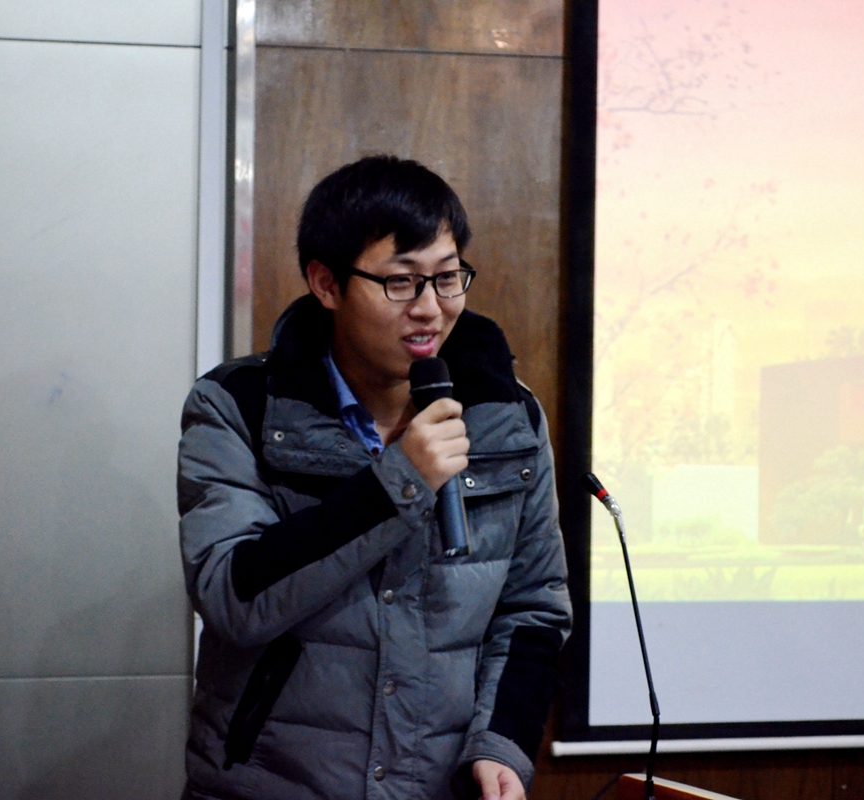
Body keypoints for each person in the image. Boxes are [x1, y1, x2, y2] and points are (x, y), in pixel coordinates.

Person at [178, 155, 571, 800]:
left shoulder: (507, 417)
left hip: (434, 784)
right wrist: (400, 482)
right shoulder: (238, 407)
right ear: (326, 283)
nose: (430, 309)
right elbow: (231, 596)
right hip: (271, 784)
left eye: (448, 278)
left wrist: (501, 743)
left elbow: (533, 605)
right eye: (401, 282)